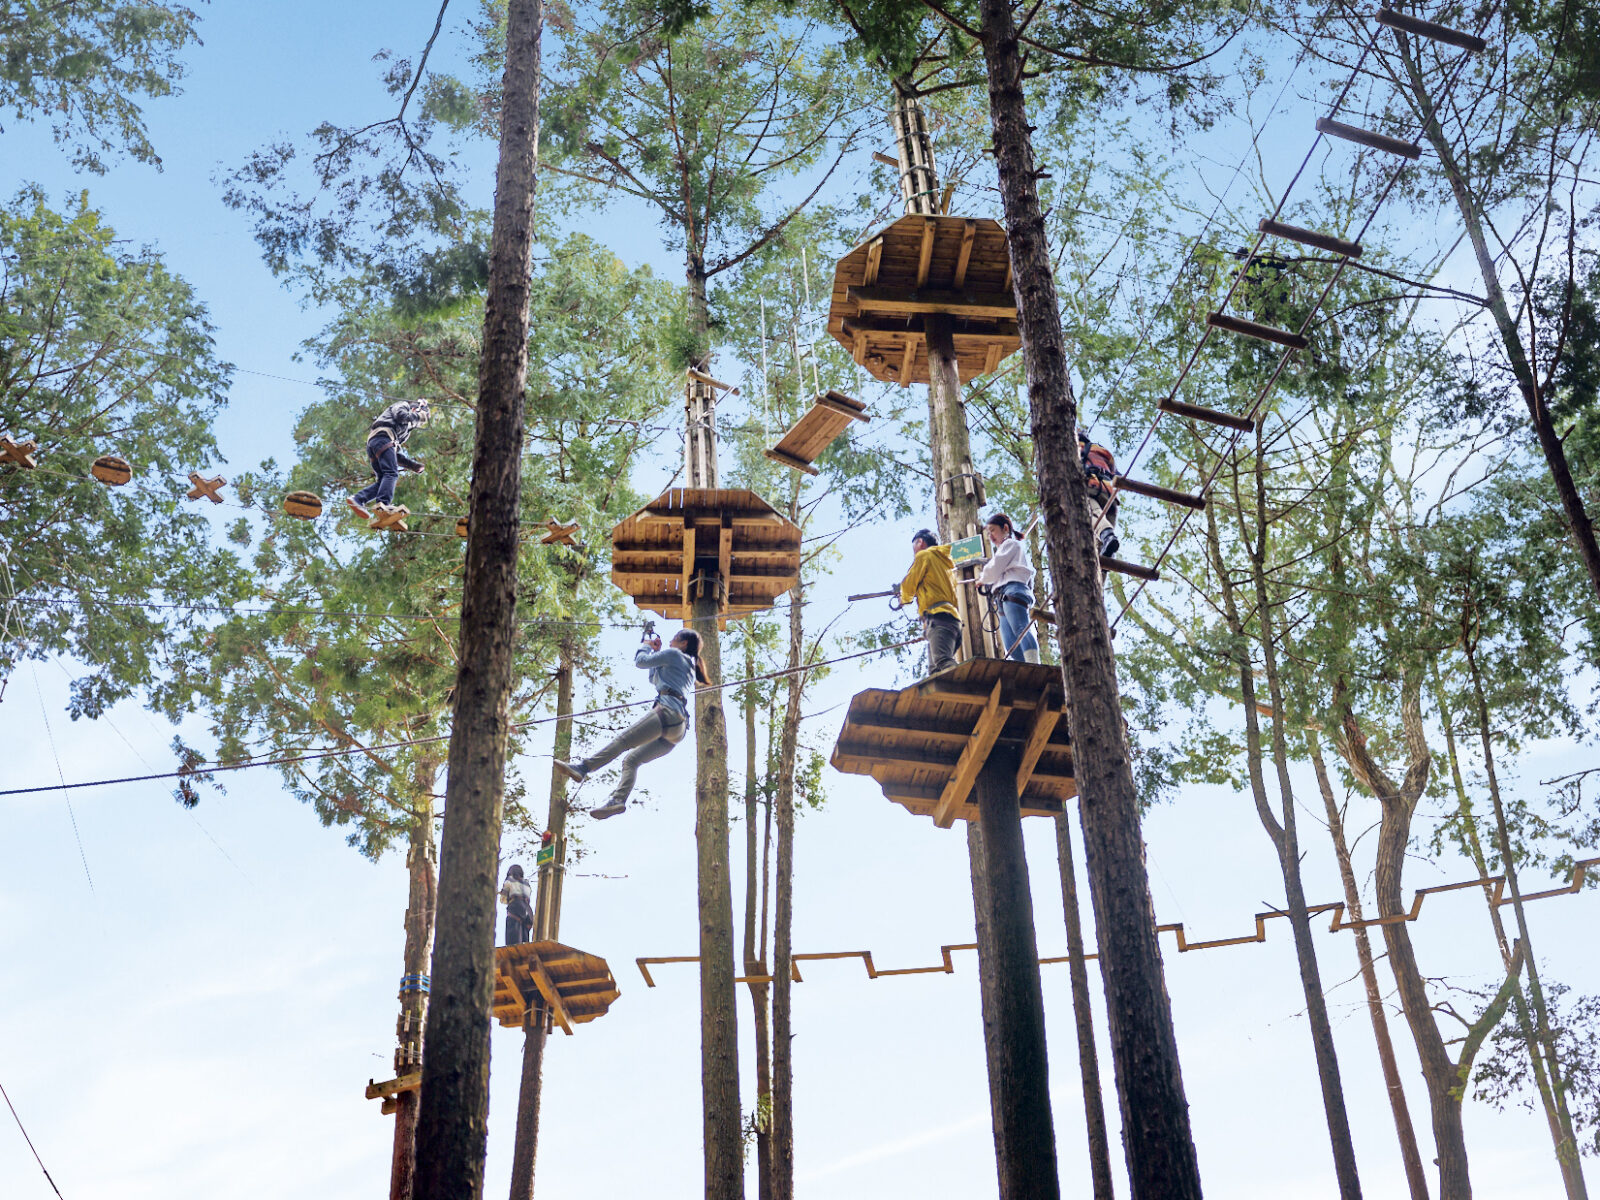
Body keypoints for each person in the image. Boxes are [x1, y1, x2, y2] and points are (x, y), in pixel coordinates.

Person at [555, 626, 711, 820]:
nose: (670, 642)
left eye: (673, 639)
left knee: (622, 741)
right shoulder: (687, 664)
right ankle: (618, 800)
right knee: (631, 760)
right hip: (677, 730)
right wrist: (655, 652)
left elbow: (640, 662)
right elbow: (654, 678)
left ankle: (583, 768)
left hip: (667, 713)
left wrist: (645, 647)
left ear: (683, 643)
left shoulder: (674, 654)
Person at [349, 398, 430, 518]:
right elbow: (401, 415)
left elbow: (393, 454)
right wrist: (420, 413)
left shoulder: (404, 432)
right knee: (391, 474)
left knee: (384, 480)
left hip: (377, 443)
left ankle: (358, 499)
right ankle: (383, 505)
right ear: (414, 409)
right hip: (381, 438)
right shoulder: (403, 405)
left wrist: (412, 465)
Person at [979, 512, 1040, 663]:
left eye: (992, 530)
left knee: (1021, 629)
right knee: (1010, 643)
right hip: (1002, 597)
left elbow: (994, 568)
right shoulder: (1003, 550)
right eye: (988, 532)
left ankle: (1034, 665)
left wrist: (982, 579)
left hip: (1013, 591)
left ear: (1005, 528)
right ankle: (1024, 667)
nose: (990, 535)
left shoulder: (1010, 544)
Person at [900, 528, 962, 674]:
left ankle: (962, 686)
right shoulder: (945, 564)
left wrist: (903, 598)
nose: (914, 552)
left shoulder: (924, 555)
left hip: (938, 618)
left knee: (943, 661)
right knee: (935, 671)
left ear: (920, 542)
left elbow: (909, 586)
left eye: (914, 546)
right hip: (951, 621)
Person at [1077, 428, 1121, 559]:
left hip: (1090, 487)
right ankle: (1103, 573)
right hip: (1109, 493)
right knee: (1103, 549)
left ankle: (1107, 535)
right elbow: (1115, 473)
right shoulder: (1103, 451)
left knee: (1093, 514)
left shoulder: (1074, 447)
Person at [500, 864, 533, 945]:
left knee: (513, 938)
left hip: (515, 907)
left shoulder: (509, 880)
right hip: (527, 911)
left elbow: (503, 899)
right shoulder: (527, 884)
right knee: (524, 938)